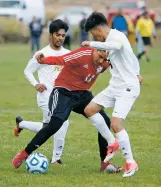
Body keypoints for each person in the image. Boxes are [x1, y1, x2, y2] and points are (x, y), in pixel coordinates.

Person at [12, 47, 122, 173]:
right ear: (95, 50)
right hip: (63, 91)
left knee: (104, 121)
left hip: (82, 95)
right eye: (100, 56)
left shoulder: (106, 62)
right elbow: (62, 59)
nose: (101, 61)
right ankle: (24, 154)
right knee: (54, 125)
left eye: (104, 58)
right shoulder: (83, 53)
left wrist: (135, 76)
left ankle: (105, 164)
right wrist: (43, 60)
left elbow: (122, 66)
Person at [82, 12, 143, 178]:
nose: (95, 37)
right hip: (115, 86)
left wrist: (91, 44)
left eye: (95, 34)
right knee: (89, 110)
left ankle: (130, 162)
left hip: (127, 88)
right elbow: (131, 58)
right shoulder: (109, 39)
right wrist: (137, 72)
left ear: (98, 29)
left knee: (116, 124)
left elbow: (116, 47)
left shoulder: (117, 37)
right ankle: (112, 143)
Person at [14, 20, 71, 165]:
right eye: (57, 35)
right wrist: (36, 84)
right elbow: (28, 71)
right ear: (51, 35)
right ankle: (56, 159)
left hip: (61, 97)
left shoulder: (68, 54)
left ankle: (21, 124)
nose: (60, 38)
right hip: (46, 97)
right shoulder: (42, 54)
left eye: (63, 35)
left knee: (48, 127)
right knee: (62, 122)